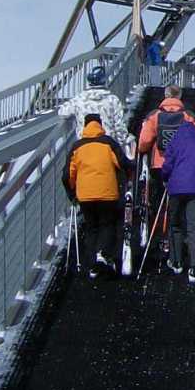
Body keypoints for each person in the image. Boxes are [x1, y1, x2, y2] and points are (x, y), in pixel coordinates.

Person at [61, 64, 131, 265]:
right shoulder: (112, 100)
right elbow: (119, 126)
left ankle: (91, 261)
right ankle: (107, 251)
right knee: (109, 211)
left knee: (91, 222)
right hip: (108, 149)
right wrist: (125, 143)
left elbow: (62, 112)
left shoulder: (79, 99)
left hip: (84, 151)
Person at [136, 85, 195, 272]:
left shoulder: (154, 115)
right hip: (184, 168)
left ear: (165, 96)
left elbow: (143, 142)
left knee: (161, 203)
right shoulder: (189, 117)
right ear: (180, 97)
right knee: (185, 211)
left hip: (160, 166)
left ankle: (163, 238)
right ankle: (187, 247)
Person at [64, 115, 129, 278]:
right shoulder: (108, 143)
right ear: (100, 125)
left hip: (85, 195)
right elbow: (123, 163)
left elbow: (67, 175)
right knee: (108, 224)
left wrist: (72, 193)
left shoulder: (76, 147)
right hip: (107, 192)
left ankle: (92, 264)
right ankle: (104, 254)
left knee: (91, 227)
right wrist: (126, 179)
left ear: (85, 126)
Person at [159, 118, 195, 282]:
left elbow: (167, 166)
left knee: (175, 224)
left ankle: (176, 261)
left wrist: (165, 178)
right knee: (193, 227)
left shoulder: (173, 144)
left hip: (175, 189)